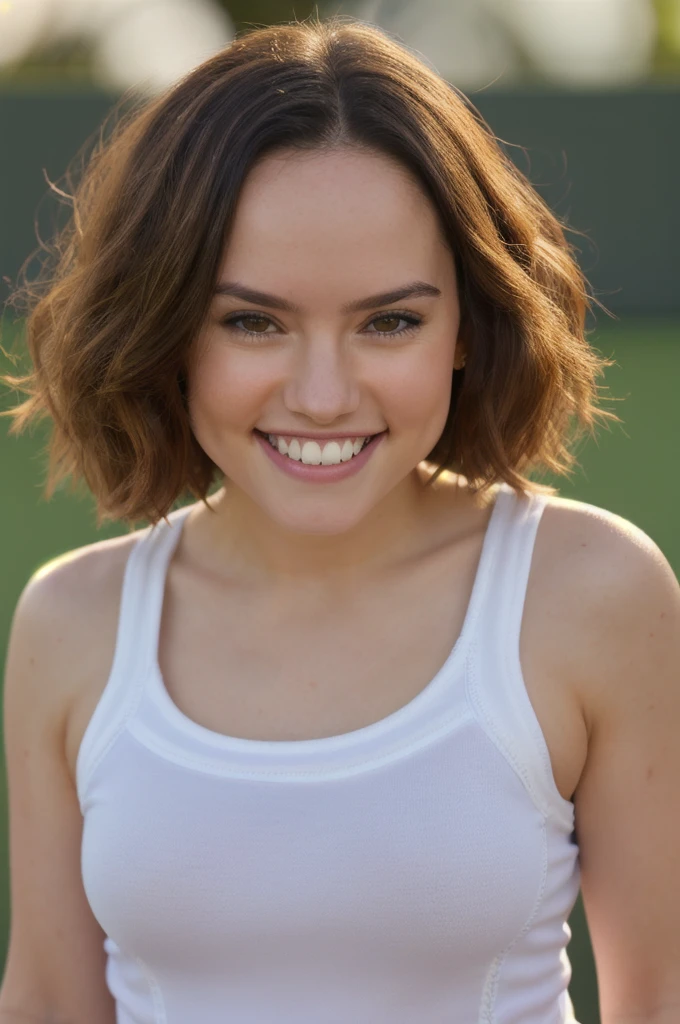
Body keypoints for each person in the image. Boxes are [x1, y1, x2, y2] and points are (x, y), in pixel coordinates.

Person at [1, 14, 678, 1024]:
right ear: (168, 327)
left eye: (389, 320)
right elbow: (50, 1002)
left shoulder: (590, 593)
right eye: (252, 321)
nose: (322, 395)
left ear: (466, 325)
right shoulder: (71, 624)